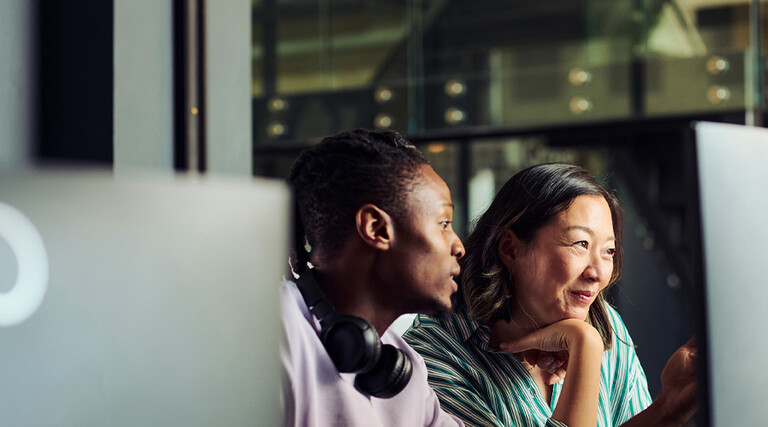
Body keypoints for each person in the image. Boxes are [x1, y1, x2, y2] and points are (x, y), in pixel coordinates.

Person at [403, 163, 697, 427]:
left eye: (608, 251)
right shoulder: (430, 359)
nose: (597, 272)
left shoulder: (605, 323)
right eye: (580, 243)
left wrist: (666, 410)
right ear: (511, 249)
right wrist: (585, 347)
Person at [282, 129, 467, 426]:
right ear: (377, 229)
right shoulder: (274, 333)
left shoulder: (404, 369)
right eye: (444, 223)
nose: (459, 246)